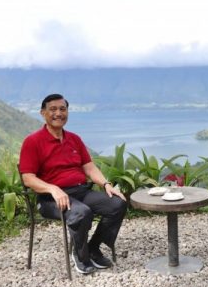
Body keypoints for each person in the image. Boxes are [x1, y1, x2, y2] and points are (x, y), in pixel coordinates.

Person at [19, 93, 127, 275]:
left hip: (80, 191)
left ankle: (93, 248)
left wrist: (106, 184)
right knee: (81, 212)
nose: (58, 113)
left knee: (117, 203)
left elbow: (90, 168)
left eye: (62, 109)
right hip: (50, 199)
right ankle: (81, 255)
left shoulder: (74, 139)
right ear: (43, 113)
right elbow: (28, 178)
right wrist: (52, 188)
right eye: (52, 109)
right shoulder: (33, 142)